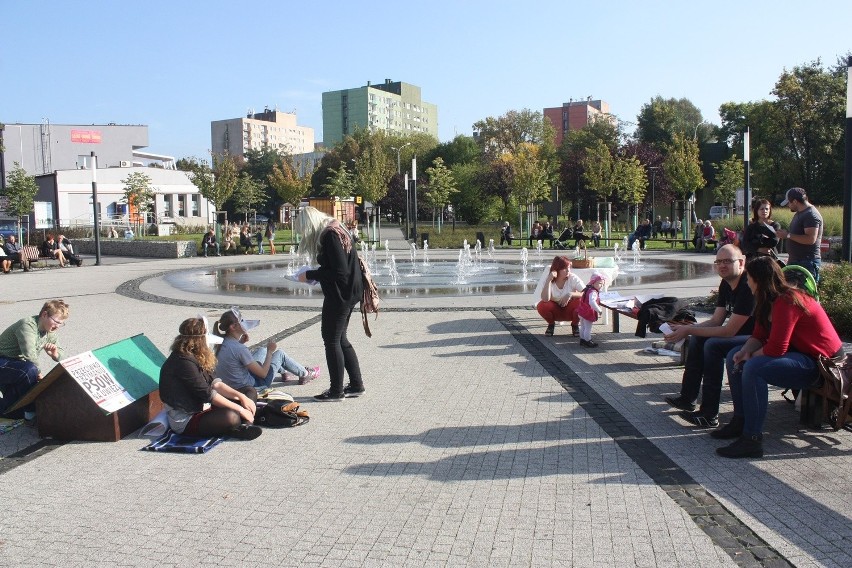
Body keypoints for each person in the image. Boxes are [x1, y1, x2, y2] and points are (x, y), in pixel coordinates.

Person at [714, 256, 843, 458]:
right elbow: (758, 336)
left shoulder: (788, 300)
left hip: (824, 365)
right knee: (733, 356)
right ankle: (740, 420)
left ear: (759, 280)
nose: (747, 282)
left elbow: (776, 349)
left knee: (754, 368)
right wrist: (744, 351)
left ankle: (752, 440)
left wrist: (751, 357)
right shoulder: (767, 301)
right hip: (802, 355)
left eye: (749, 279)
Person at [663, 244, 755, 427]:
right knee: (698, 338)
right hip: (740, 335)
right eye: (718, 262)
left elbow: (730, 331)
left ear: (742, 262)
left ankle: (709, 413)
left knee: (712, 345)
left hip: (755, 339)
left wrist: (688, 330)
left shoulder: (747, 285)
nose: (722, 266)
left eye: (728, 261)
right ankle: (688, 398)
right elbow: (716, 321)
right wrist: (685, 328)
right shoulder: (726, 283)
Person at [295, 206, 365, 401]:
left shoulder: (329, 235)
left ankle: (336, 391)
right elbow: (338, 266)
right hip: (350, 291)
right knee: (341, 338)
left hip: (340, 294)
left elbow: (339, 272)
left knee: (331, 339)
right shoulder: (338, 228)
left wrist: (309, 274)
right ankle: (356, 385)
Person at [159, 317, 262, 440]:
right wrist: (240, 409)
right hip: (187, 418)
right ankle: (242, 422)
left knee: (249, 391)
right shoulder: (182, 361)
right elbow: (208, 394)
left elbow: (216, 384)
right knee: (231, 416)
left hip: (204, 408)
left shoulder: (195, 355)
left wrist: (242, 397)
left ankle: (245, 425)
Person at [213, 307, 321, 393]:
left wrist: (241, 342)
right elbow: (263, 374)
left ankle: (285, 372)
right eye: (241, 320)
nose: (244, 322)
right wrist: (270, 351)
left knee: (261, 350)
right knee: (279, 354)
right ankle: (306, 374)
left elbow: (233, 356)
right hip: (254, 386)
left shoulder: (221, 343)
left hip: (233, 383)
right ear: (233, 327)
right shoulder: (240, 349)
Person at [0, 299, 69, 421]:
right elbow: (30, 354)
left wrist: (55, 354)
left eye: (61, 323)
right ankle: (33, 412)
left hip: (15, 368)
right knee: (29, 370)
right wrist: (39, 375)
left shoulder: (49, 331)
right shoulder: (26, 325)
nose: (57, 326)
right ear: (44, 315)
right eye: (56, 321)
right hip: (4, 363)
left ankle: (20, 409)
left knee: (13, 411)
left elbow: (62, 355)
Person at [776, 187, 823, 282]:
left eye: (788, 203)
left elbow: (810, 239)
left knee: (803, 295)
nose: (788, 205)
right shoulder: (800, 213)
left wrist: (788, 235)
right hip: (796, 261)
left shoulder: (811, 215)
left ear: (795, 201)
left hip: (806, 262)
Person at [536, 256, 584, 337]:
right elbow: (545, 299)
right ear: (556, 269)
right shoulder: (549, 280)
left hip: (570, 310)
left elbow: (586, 292)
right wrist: (549, 280)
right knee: (542, 305)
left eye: (569, 267)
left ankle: (575, 325)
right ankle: (551, 324)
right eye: (565, 268)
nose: (568, 270)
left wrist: (570, 294)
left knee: (582, 302)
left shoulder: (572, 278)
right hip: (556, 311)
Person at [577, 273, 605, 348]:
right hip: (588, 312)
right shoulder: (593, 292)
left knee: (582, 326)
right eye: (599, 283)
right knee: (588, 328)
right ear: (593, 282)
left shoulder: (588, 289)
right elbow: (591, 302)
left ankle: (582, 339)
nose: (601, 285)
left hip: (582, 310)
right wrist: (599, 310)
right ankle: (588, 340)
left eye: (602, 284)